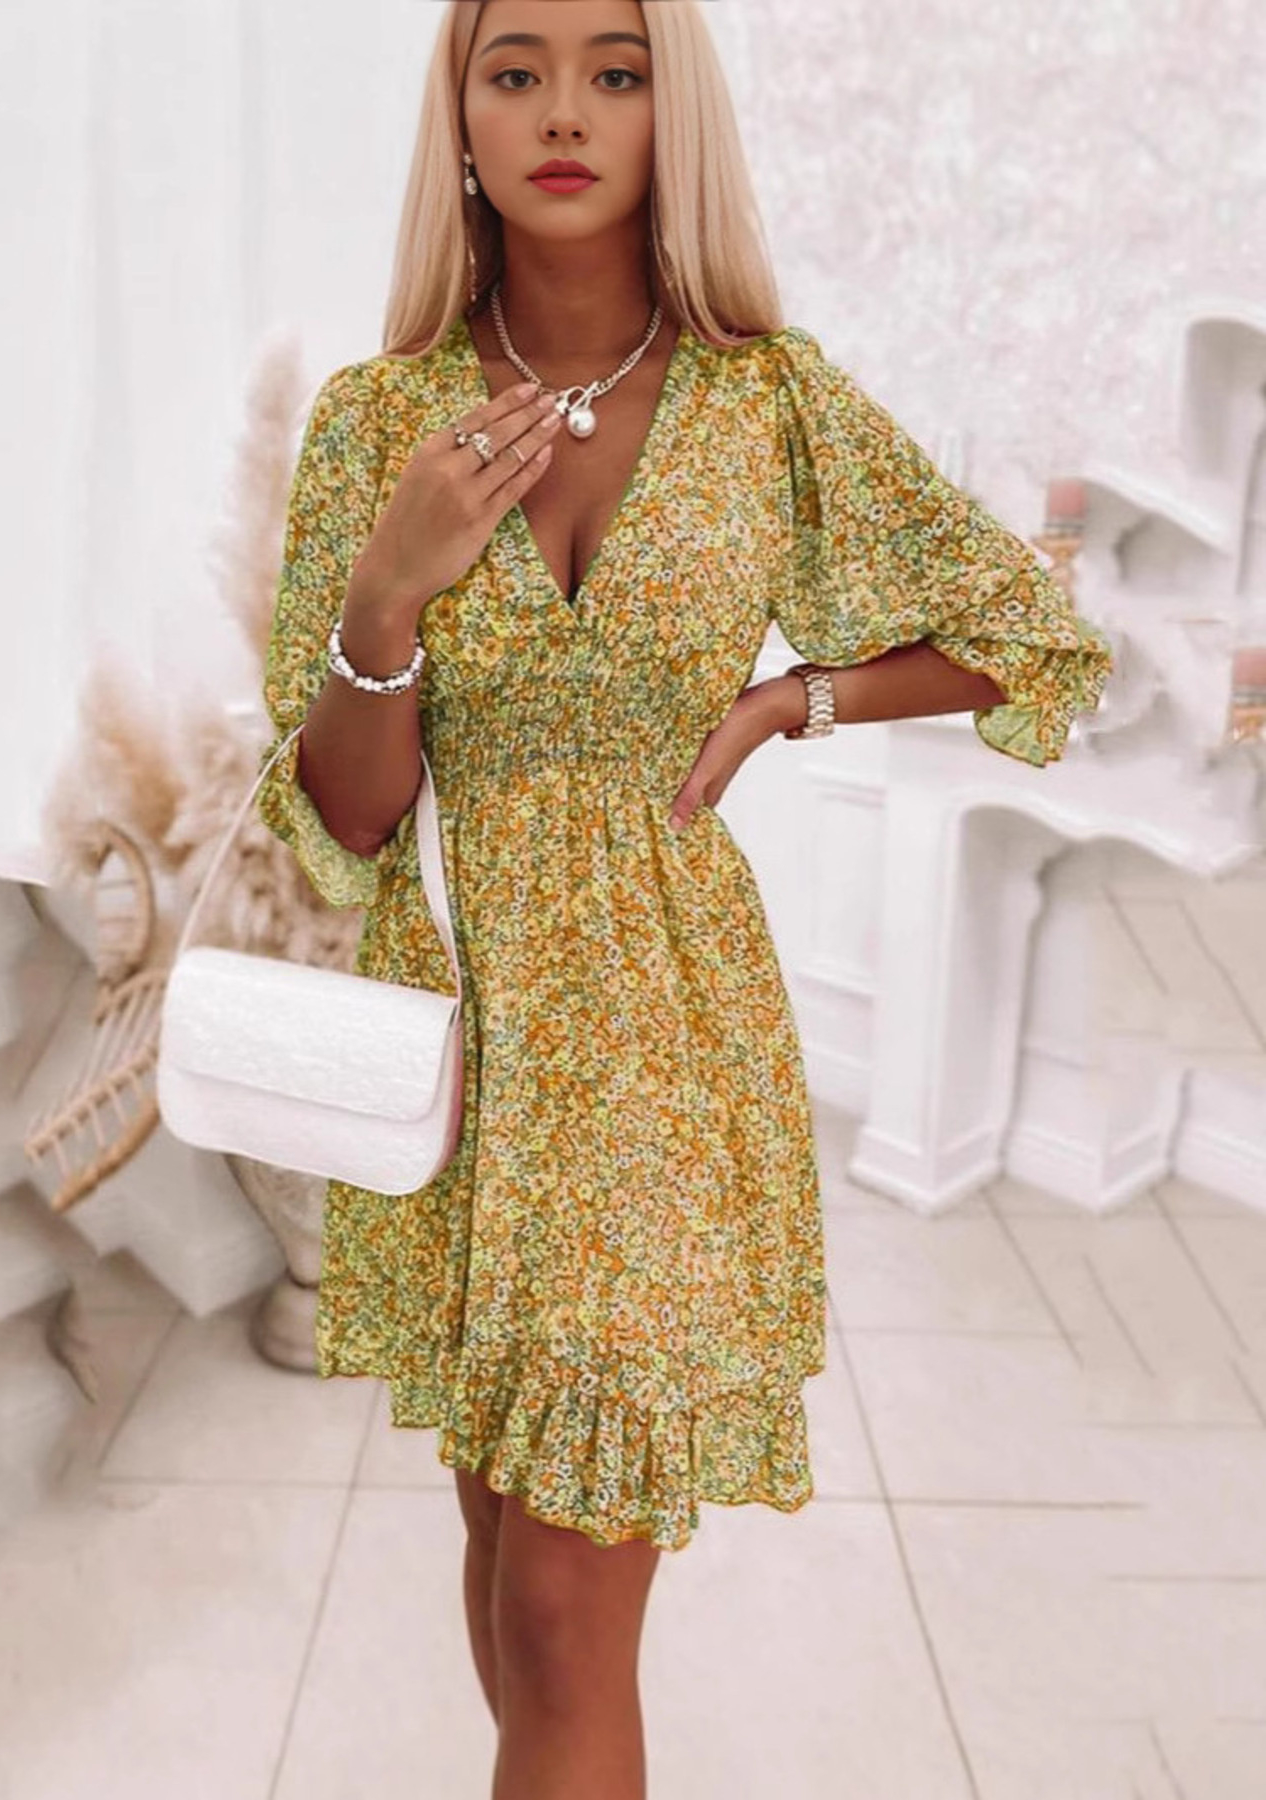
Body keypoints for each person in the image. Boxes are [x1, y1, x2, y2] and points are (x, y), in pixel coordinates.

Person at [257, 3, 1114, 1794]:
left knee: (564, 1607)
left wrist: (794, 698)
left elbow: (1025, 635)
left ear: (672, 115)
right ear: (462, 120)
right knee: (504, 1552)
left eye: (617, 71)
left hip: (659, 1037)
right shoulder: (378, 423)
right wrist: (387, 592)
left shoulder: (763, 402)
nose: (565, 110)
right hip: (462, 1042)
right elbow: (347, 813)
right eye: (516, 72)